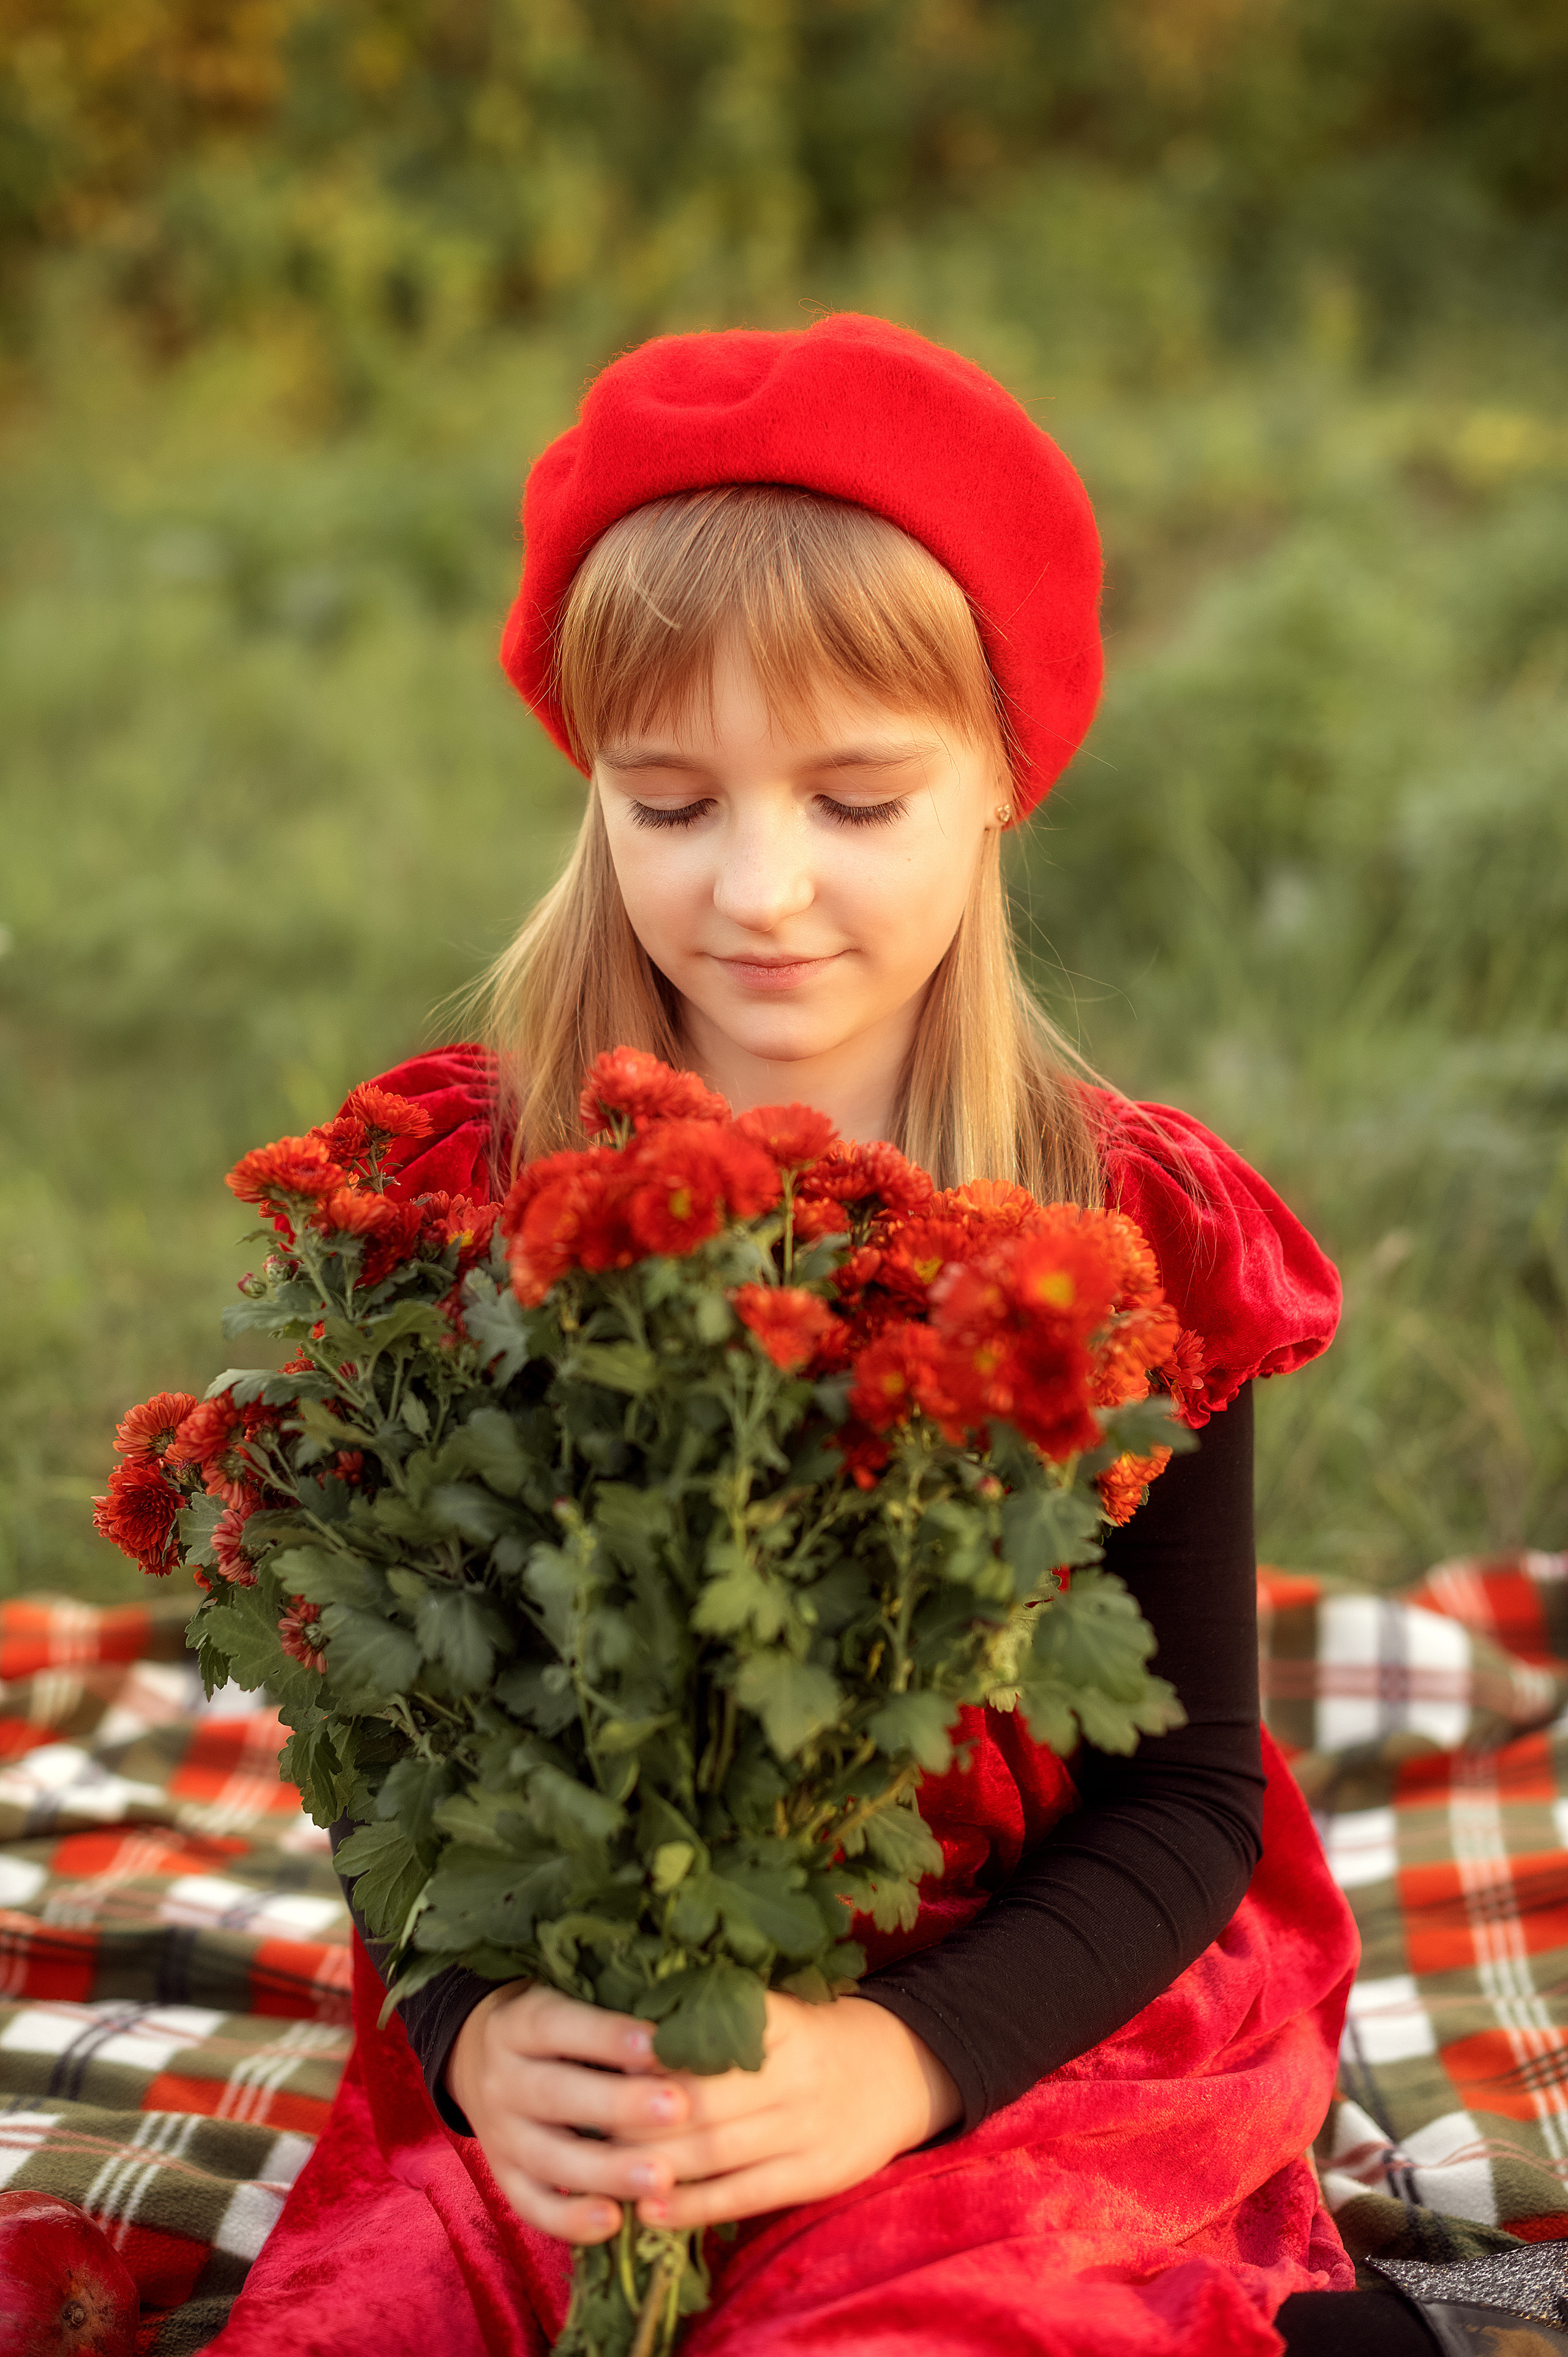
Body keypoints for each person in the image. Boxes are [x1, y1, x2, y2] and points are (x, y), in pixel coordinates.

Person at [206, 317, 1531, 2357]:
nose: (758, 891)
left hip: (1025, 2001)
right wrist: (475, 2033)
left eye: (852, 799)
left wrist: (894, 2069)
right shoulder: (465, 1187)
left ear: (1002, 772)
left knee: (914, 2322)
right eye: (670, 804)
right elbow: (400, 1745)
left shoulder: (1120, 1228)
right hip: (599, 2001)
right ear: (595, 795)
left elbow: (1183, 1796)